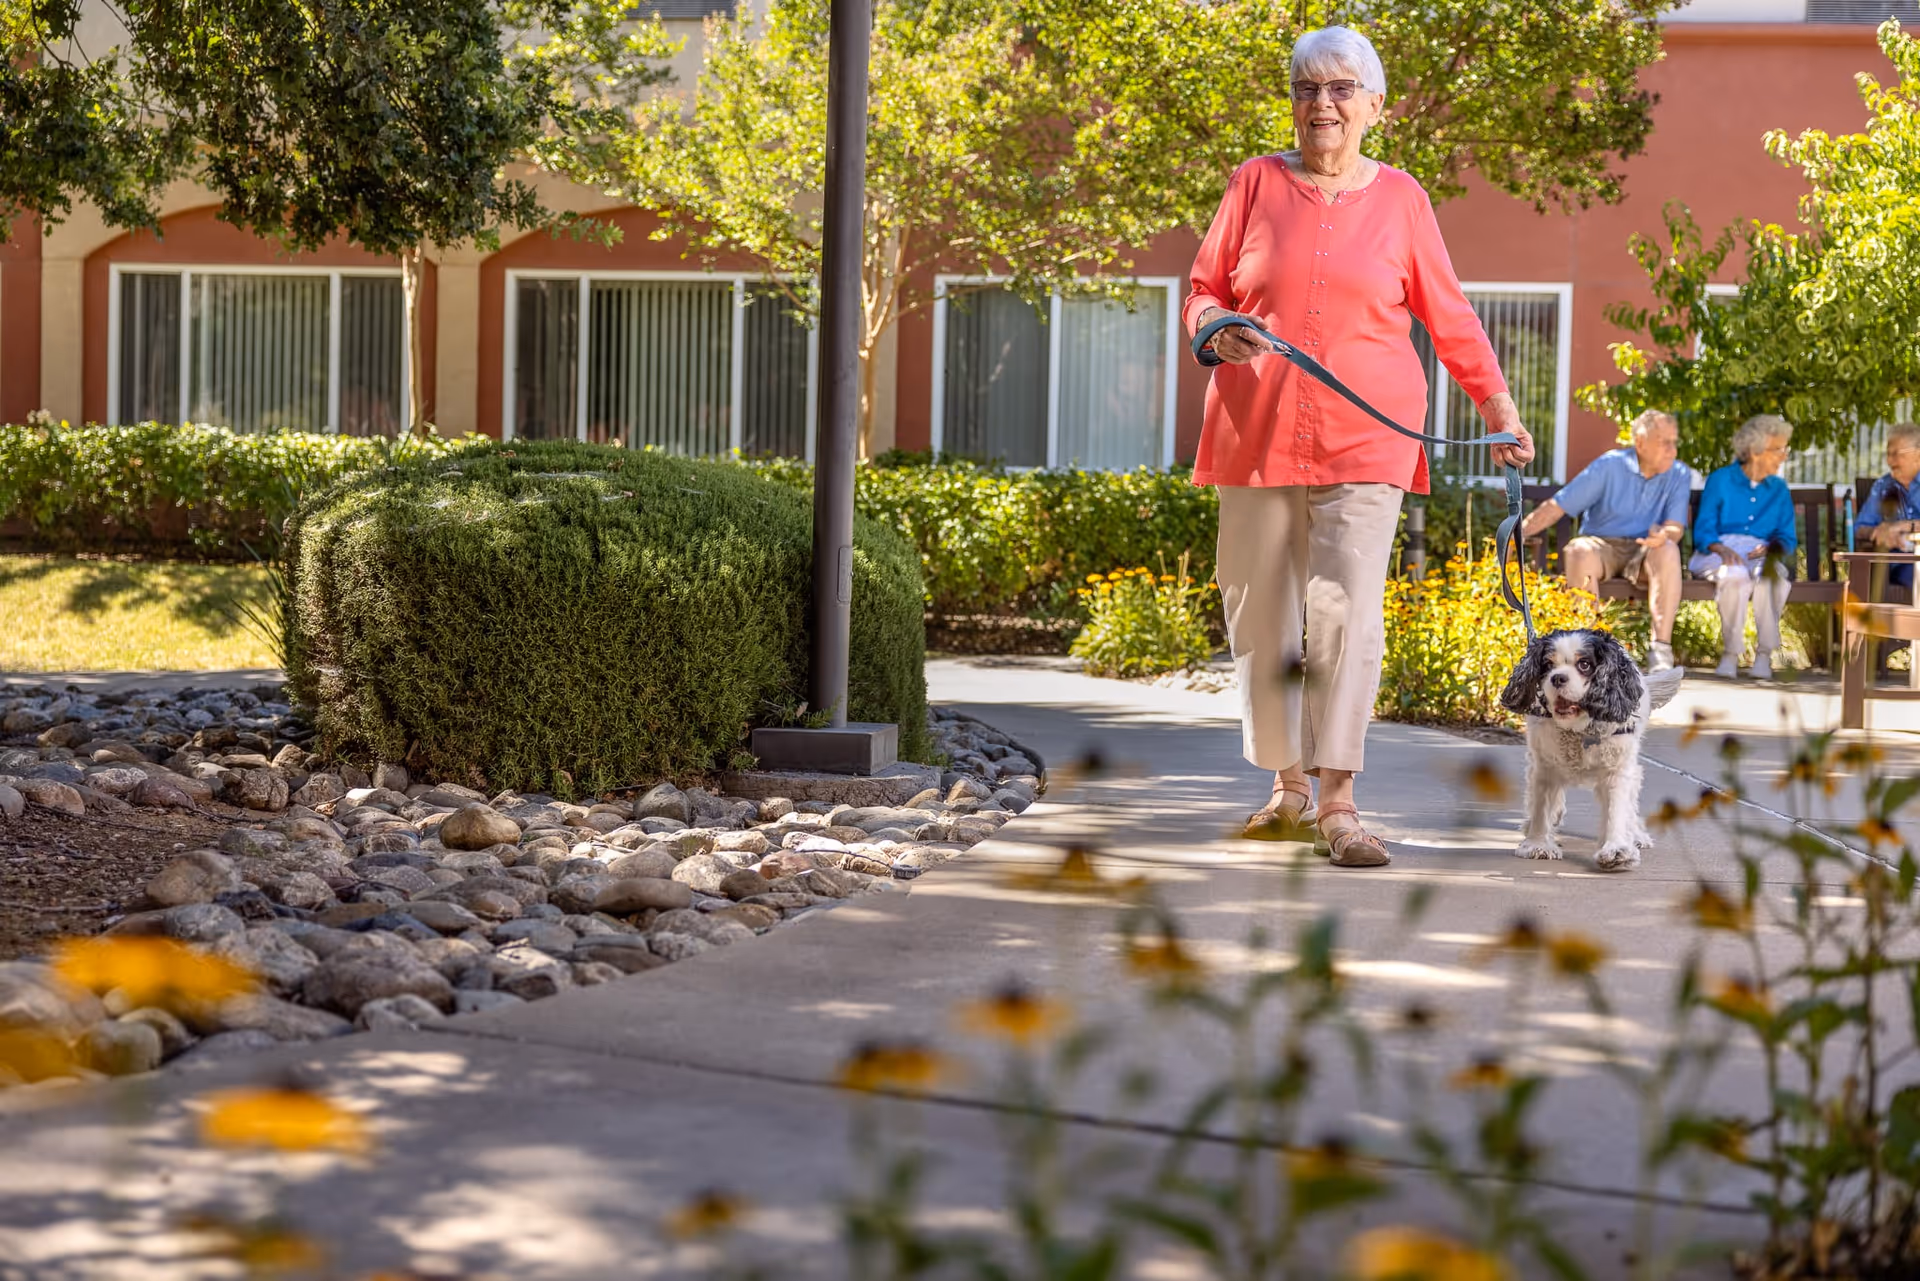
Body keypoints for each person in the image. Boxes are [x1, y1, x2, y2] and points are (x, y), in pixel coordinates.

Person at [1187, 25, 1534, 868]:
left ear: (1375, 107)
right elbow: (1203, 288)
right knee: (1261, 612)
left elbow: (1448, 313)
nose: (1323, 104)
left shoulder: (1404, 199)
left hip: (1367, 435)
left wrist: (1498, 406)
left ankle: (1338, 800)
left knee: (1345, 612)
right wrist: (1217, 329)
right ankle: (1288, 785)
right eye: (1308, 89)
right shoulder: (1254, 182)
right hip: (1256, 431)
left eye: (1342, 89)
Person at [1519, 410, 1692, 671]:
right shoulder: (1610, 466)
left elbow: (1675, 527)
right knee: (1578, 549)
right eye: (1664, 441)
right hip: (1603, 545)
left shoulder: (1678, 473)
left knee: (1668, 549)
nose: (1672, 449)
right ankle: (1588, 652)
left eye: (1674, 441)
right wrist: (1518, 532)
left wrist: (1664, 535)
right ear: (1641, 442)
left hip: (1646, 549)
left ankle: (1661, 650)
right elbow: (1560, 504)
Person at [1690, 415, 1796, 680]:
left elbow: (1787, 536)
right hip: (1718, 551)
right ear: (1755, 451)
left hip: (1762, 553)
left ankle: (1764, 654)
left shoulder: (1780, 489)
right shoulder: (1720, 480)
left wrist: (1772, 548)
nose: (1783, 456)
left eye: (1785, 449)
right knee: (1735, 576)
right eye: (1778, 449)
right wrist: (1720, 548)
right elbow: (1704, 528)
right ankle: (1731, 653)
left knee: (1770, 580)